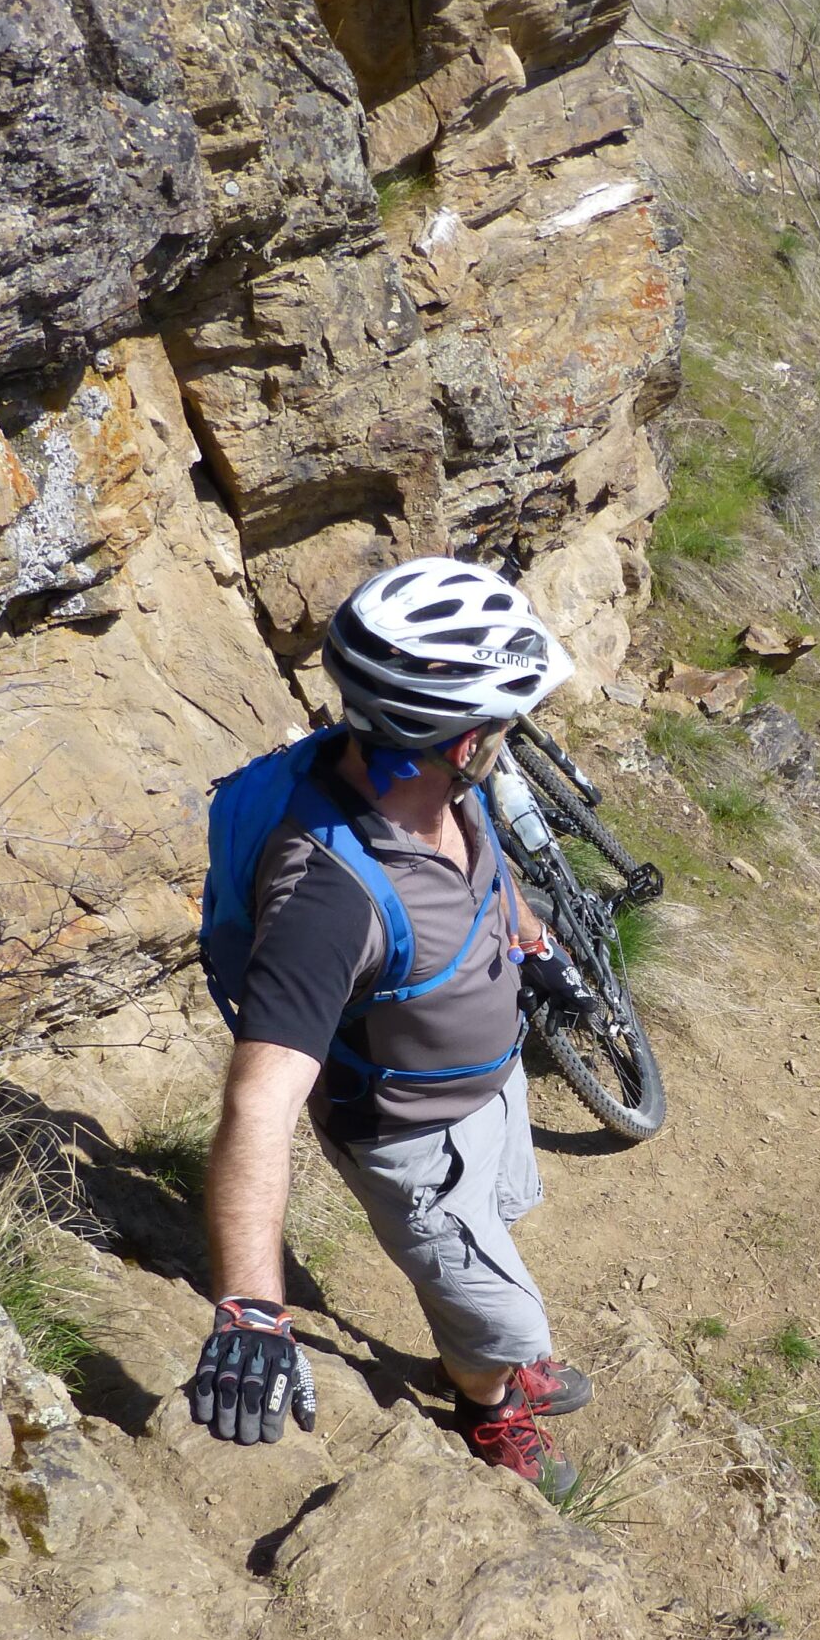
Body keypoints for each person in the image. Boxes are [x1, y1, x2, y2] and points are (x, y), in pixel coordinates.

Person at [189, 559, 597, 1495]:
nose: (509, 736)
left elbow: (487, 878)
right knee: (495, 1308)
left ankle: (482, 1343)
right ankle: (489, 1405)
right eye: (500, 721)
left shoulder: (437, 784)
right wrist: (251, 1312)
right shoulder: (326, 897)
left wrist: (535, 950)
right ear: (461, 738)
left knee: (488, 1230)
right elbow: (257, 1105)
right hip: (411, 1140)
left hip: (488, 1090)